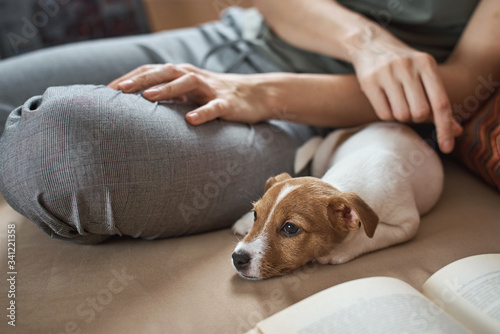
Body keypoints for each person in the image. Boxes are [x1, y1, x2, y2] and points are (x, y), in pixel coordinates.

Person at [0, 0, 498, 243]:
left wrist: (265, 93)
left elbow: (455, 88)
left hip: (315, 118)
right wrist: (366, 41)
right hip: (226, 42)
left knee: (60, 147)